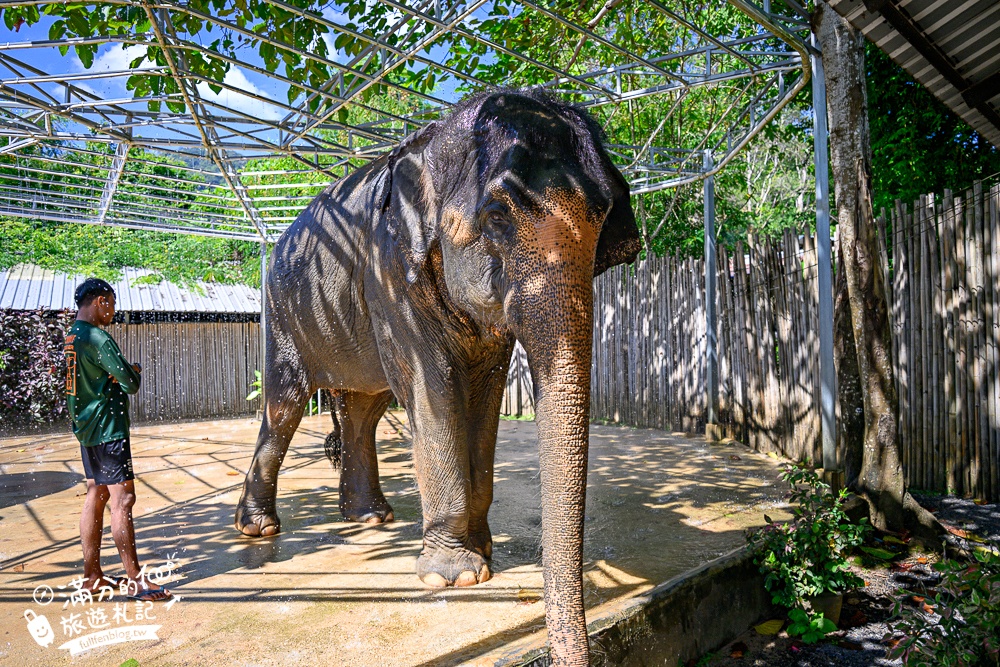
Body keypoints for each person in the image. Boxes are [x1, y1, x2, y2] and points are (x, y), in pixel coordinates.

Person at [65, 278, 171, 601]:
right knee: (122, 500)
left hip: (86, 430)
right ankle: (137, 581)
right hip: (109, 429)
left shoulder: (72, 336)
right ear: (99, 301)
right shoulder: (98, 338)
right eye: (111, 303)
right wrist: (133, 369)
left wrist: (120, 372)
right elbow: (129, 382)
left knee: (95, 495)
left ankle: (92, 576)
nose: (114, 310)